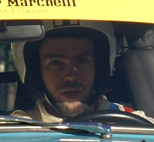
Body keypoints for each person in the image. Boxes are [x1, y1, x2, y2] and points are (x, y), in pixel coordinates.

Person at [11, 23, 146, 123]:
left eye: (82, 61)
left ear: (99, 67)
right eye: (56, 63)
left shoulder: (138, 126)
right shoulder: (11, 132)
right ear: (36, 71)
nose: (70, 76)